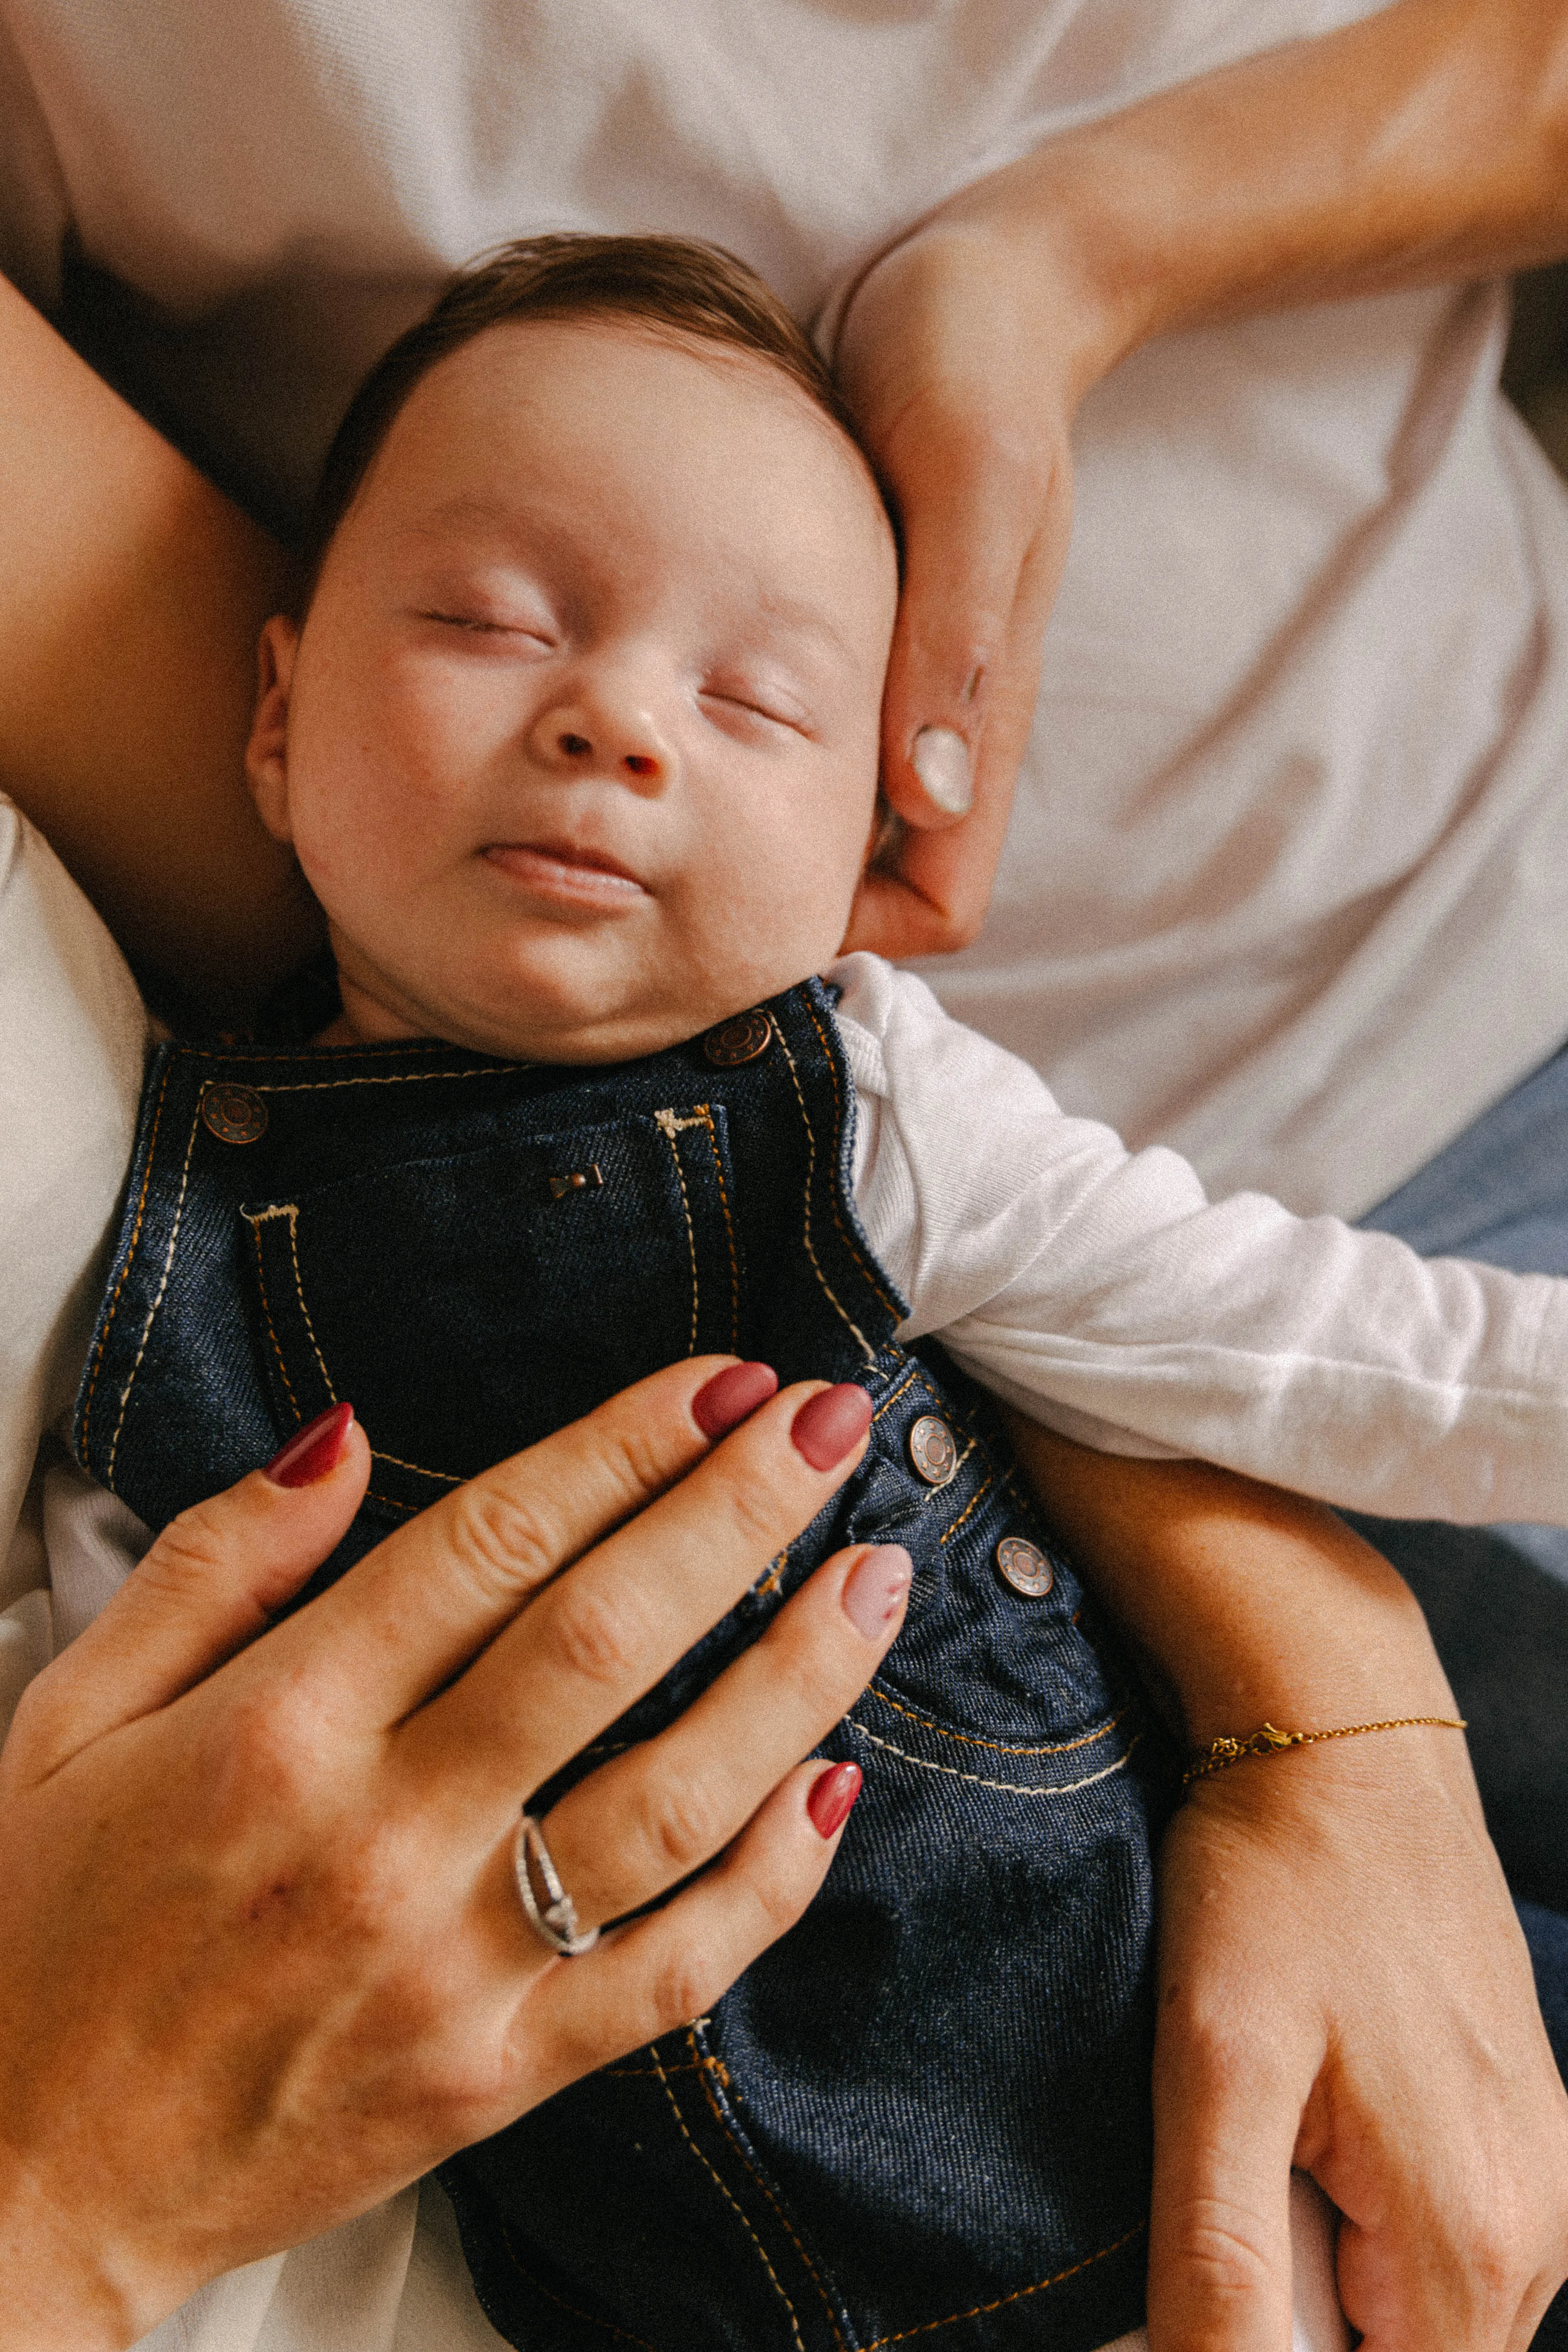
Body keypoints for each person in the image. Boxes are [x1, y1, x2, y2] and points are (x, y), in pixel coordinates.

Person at [0, 1, 1566, 2340]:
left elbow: (1322, 1348)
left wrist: (1061, 254)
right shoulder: (158, 1170)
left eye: (752, 704)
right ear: (270, 705)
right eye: (482, 620)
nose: (608, 711)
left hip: (1150, 2107)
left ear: (879, 837)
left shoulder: (884, 1110)